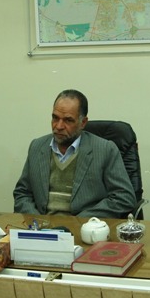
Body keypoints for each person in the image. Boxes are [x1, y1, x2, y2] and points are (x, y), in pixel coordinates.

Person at [13, 89, 136, 218]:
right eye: (55, 118)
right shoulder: (37, 147)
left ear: (83, 123)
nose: (59, 126)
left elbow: (124, 197)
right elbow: (22, 193)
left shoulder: (105, 150)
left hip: (84, 226)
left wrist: (80, 221)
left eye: (68, 120)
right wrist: (37, 220)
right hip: (42, 226)